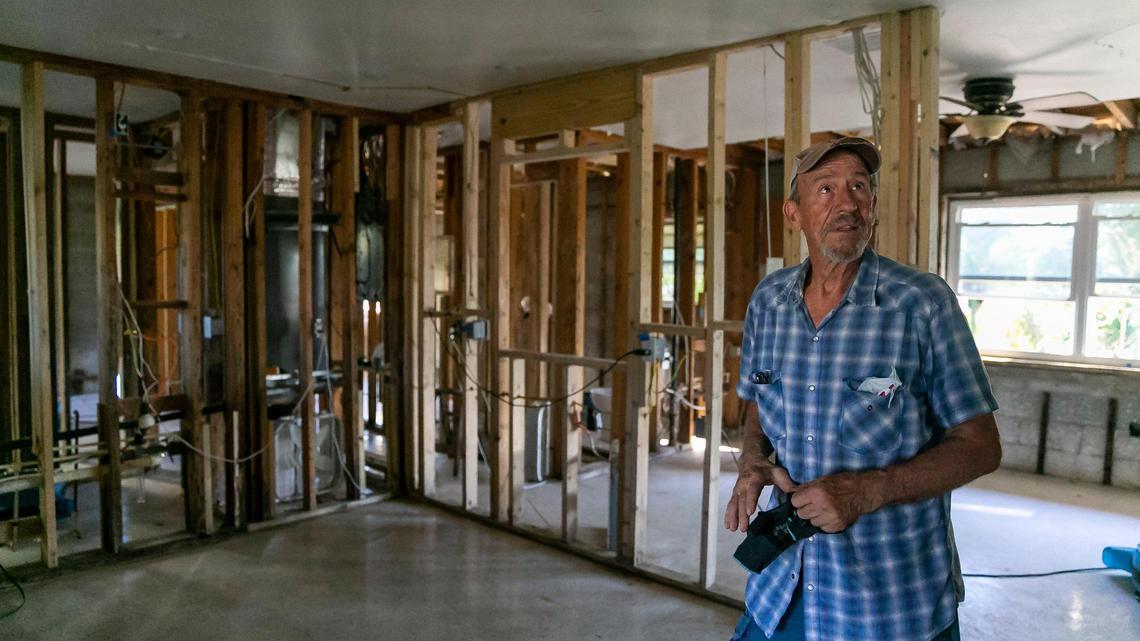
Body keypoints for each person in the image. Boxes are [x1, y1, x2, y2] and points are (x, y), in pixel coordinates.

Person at [724, 137, 1002, 641]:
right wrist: (752, 460)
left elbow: (981, 447)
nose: (847, 203)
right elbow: (760, 402)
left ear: (872, 206)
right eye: (825, 189)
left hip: (888, 607)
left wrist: (867, 491)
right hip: (779, 590)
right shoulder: (769, 301)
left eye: (858, 188)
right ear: (794, 213)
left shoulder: (921, 303)